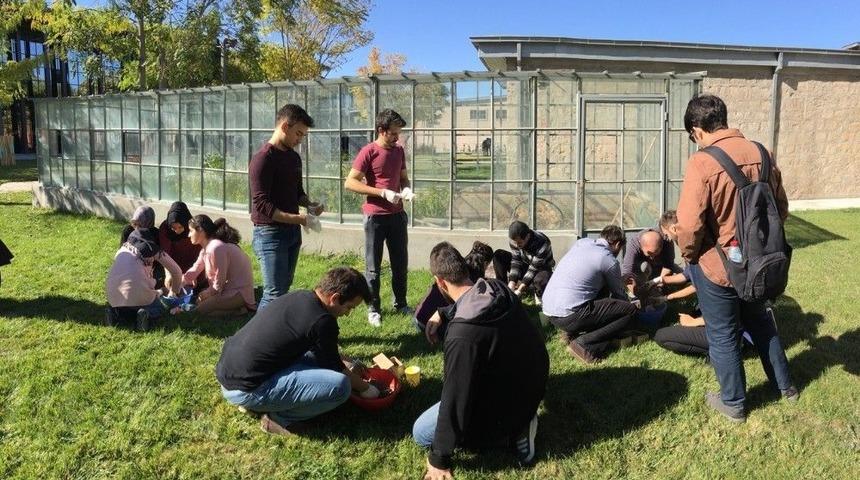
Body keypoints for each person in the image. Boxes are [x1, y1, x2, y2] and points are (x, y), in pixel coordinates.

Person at [676, 94, 797, 422]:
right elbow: (781, 208)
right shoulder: (763, 153)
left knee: (723, 333)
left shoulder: (702, 162)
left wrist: (690, 257)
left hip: (719, 267)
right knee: (761, 322)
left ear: (698, 130)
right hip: (758, 264)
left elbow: (688, 226)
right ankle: (785, 387)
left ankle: (734, 403)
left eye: (692, 137)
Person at [413, 242, 549, 478]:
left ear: (440, 282)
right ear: (465, 269)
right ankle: (518, 419)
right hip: (535, 382)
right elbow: (469, 301)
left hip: (510, 405)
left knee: (422, 432)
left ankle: (512, 432)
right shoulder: (496, 288)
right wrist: (445, 312)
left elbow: (456, 396)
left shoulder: (462, 336)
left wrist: (439, 459)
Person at [216, 267, 380, 435]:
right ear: (335, 298)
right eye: (349, 308)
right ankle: (280, 419)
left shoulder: (300, 296)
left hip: (229, 376)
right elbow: (336, 368)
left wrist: (349, 362)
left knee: (317, 362)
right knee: (341, 386)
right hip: (248, 389)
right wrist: (367, 389)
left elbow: (324, 352)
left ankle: (258, 403)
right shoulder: (323, 322)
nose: (348, 314)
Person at [249, 104, 324, 311]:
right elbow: (261, 204)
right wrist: (299, 219)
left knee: (282, 289)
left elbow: (297, 192)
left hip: (292, 232)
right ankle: (257, 340)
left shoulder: (293, 157)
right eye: (298, 133)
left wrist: (310, 205)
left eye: (303, 135)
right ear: (284, 126)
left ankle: (275, 336)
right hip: (269, 234)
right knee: (273, 294)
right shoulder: (263, 159)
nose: (300, 140)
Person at [344, 109, 413, 327]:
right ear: (381, 131)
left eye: (398, 133)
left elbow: (403, 178)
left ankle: (400, 303)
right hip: (375, 216)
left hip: (397, 215)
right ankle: (373, 308)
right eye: (393, 133)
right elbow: (350, 182)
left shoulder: (398, 151)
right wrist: (381, 192)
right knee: (373, 267)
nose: (397, 138)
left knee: (400, 263)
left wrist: (407, 189)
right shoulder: (368, 151)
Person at [541, 225, 637, 364]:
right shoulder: (608, 259)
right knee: (629, 312)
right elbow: (619, 297)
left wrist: (615, 280)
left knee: (592, 286)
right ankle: (584, 345)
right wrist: (631, 297)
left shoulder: (582, 243)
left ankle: (570, 334)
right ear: (617, 244)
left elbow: (586, 276)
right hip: (570, 315)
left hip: (550, 312)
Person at [412, 241, 495, 338]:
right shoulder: (472, 280)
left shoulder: (457, 268)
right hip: (430, 324)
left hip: (419, 316)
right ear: (485, 263)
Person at [105, 228, 183, 331]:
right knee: (158, 307)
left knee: (127, 305)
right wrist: (174, 292)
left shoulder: (122, 249)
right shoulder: (152, 249)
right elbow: (177, 271)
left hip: (113, 296)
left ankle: (115, 314)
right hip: (139, 295)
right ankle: (147, 315)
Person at [182, 215, 256, 316]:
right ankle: (238, 309)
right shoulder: (206, 249)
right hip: (227, 290)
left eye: (191, 231)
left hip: (238, 292)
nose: (188, 235)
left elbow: (219, 282)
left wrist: (207, 293)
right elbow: (195, 269)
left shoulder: (216, 248)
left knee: (198, 312)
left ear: (200, 230)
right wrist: (179, 282)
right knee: (200, 304)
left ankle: (241, 309)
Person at [493, 221, 555, 305]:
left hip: (541, 269)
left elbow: (533, 268)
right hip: (525, 264)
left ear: (528, 236)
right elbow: (516, 261)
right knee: (499, 255)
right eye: (515, 242)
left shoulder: (542, 242)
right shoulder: (514, 240)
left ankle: (539, 296)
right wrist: (511, 283)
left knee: (541, 278)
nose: (517, 245)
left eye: (519, 242)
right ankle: (503, 291)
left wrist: (519, 291)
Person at [157, 201, 205, 292]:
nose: (177, 231)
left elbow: (199, 255)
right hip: (171, 264)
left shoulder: (193, 229)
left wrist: (193, 275)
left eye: (180, 227)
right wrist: (169, 273)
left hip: (193, 265)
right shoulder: (165, 228)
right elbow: (164, 253)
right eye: (173, 228)